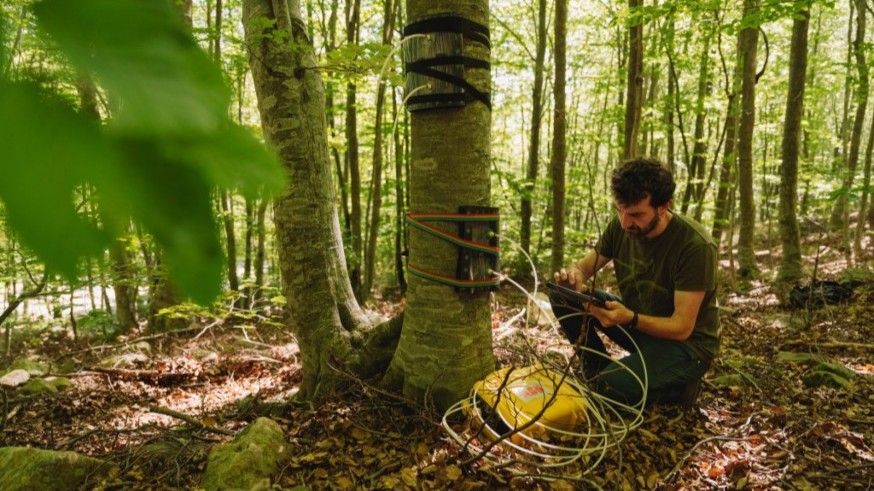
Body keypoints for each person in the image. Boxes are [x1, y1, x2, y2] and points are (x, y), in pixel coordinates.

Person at [551, 157, 720, 407]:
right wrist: (573, 279)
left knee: (610, 387)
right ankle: (597, 369)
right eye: (620, 210)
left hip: (687, 347)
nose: (625, 222)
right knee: (560, 295)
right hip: (637, 322)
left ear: (663, 207)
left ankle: (677, 389)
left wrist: (629, 318)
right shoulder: (621, 226)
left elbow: (682, 327)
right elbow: (583, 269)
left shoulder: (694, 246)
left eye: (636, 215)